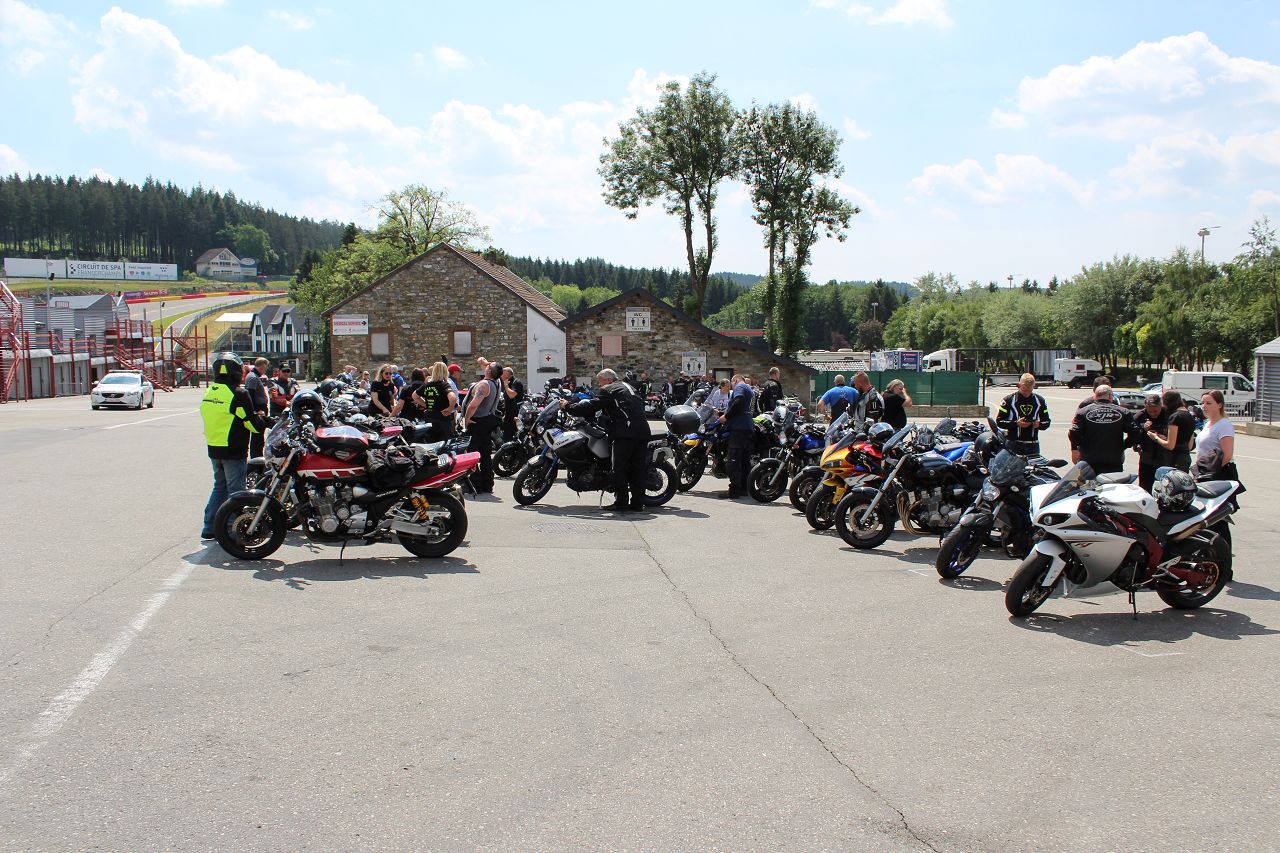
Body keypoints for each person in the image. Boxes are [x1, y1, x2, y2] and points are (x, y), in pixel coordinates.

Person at [200, 353, 268, 540]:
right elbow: (252, 424)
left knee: (219, 486)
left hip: (214, 447)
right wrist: (265, 420)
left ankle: (209, 526)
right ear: (236, 371)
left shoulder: (210, 391)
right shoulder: (238, 394)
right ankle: (231, 530)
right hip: (233, 449)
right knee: (236, 492)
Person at [562, 369, 652, 511]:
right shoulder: (628, 387)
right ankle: (637, 504)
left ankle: (621, 503)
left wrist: (568, 407)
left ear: (609, 380)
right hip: (642, 431)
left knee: (619, 468)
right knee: (637, 469)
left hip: (624, 433)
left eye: (600, 381)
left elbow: (591, 406)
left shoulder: (609, 389)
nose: (600, 385)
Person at [1068, 384, 1136, 474]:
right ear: (1110, 396)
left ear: (1095, 396)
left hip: (1089, 459)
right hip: (1113, 459)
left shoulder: (1082, 412)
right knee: (1112, 482)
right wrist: (1124, 445)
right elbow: (1135, 433)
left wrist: (1081, 446)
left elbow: (1073, 433)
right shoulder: (1124, 412)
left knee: (1089, 482)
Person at [464, 362, 503, 493]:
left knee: (472, 453)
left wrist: (467, 419)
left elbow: (473, 405)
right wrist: (486, 364)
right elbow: (495, 370)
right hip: (487, 420)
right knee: (485, 454)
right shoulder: (497, 383)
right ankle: (487, 484)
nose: (485, 367)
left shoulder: (484, 385)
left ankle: (476, 484)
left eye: (487, 367)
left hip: (477, 422)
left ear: (489, 371)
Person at [718, 374, 756, 499]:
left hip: (739, 428)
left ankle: (734, 490)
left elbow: (738, 402)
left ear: (735, 380)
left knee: (733, 460)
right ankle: (743, 488)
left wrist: (726, 417)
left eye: (731, 384)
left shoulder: (740, 387)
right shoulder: (749, 389)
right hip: (747, 427)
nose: (731, 387)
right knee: (744, 461)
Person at [997, 373, 1052, 455]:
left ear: (1034, 386)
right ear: (1019, 386)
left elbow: (1047, 422)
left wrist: (1039, 424)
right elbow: (999, 422)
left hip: (1032, 444)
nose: (1026, 393)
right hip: (1013, 443)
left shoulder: (1040, 401)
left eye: (1029, 391)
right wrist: (1016, 423)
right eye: (1024, 390)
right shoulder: (1008, 400)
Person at [1132, 391, 1170, 492]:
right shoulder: (1139, 416)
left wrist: (1162, 436)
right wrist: (1142, 429)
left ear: (1161, 405)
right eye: (1150, 411)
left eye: (1156, 411)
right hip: (1146, 459)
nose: (1153, 414)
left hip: (1164, 459)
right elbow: (1133, 438)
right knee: (1145, 488)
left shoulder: (1168, 415)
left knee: (1164, 489)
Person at [1194, 389, 1236, 481]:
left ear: (1219, 405)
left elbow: (1227, 455)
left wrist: (1209, 472)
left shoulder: (1224, 425)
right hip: (1205, 471)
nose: (1204, 406)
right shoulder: (1207, 423)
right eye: (1202, 403)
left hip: (1219, 473)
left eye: (1208, 403)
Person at [419, 362, 457, 439]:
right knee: (444, 442)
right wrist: (450, 408)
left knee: (431, 441)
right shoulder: (444, 384)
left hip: (429, 417)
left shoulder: (427, 385)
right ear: (445, 372)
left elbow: (415, 396)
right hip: (442, 418)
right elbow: (453, 397)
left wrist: (427, 405)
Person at [1162, 390, 1196, 473]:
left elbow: (1170, 445)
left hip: (1173, 459)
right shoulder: (1189, 416)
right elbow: (1190, 445)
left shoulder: (1175, 417)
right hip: (1185, 458)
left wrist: (1155, 437)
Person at [243, 357, 270, 458]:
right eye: (266, 367)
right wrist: (255, 411)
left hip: (260, 408)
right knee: (257, 437)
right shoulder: (253, 377)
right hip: (258, 409)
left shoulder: (254, 376)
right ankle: (256, 458)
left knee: (259, 436)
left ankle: (257, 456)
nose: (266, 369)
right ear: (262, 366)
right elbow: (250, 395)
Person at [500, 366, 526, 442]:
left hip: (516, 414)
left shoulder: (516, 382)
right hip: (509, 414)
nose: (501, 375)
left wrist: (506, 386)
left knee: (518, 435)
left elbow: (512, 395)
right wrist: (506, 414)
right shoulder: (507, 382)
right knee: (507, 436)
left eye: (503, 373)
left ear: (508, 374)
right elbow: (507, 400)